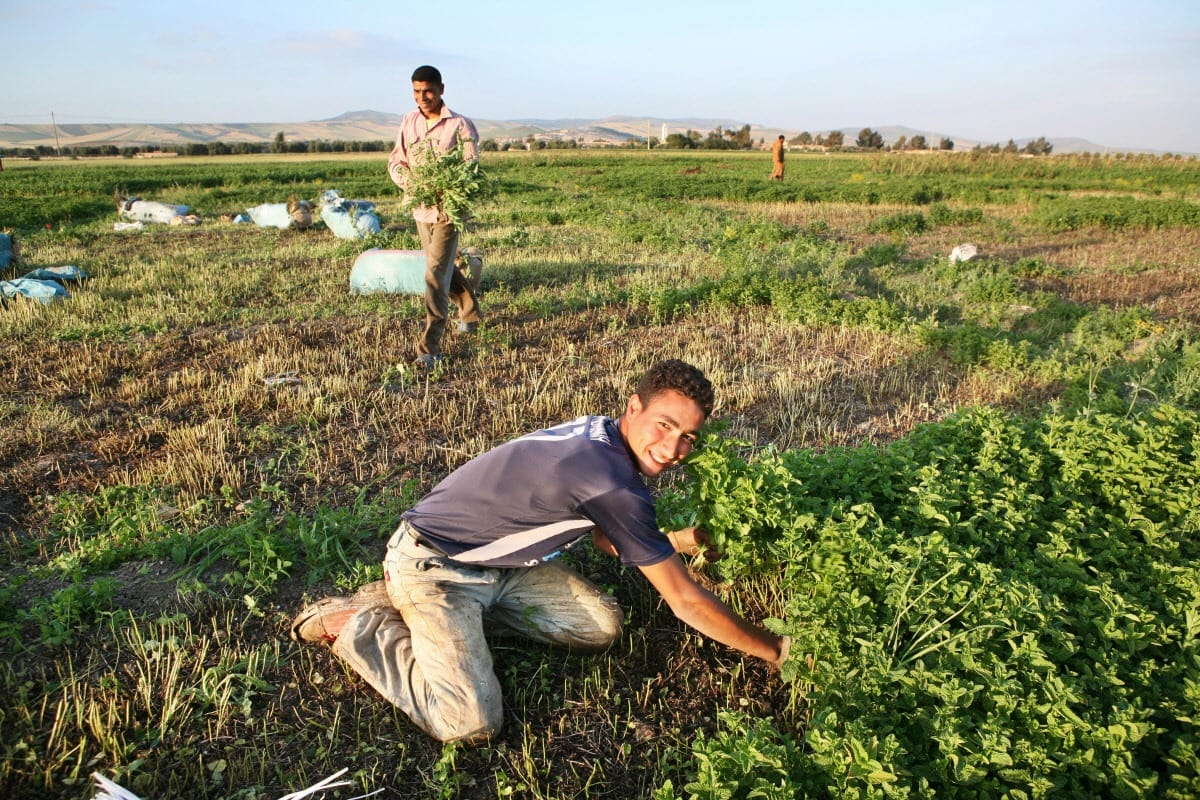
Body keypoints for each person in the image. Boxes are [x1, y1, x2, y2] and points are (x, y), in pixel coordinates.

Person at [290, 359, 790, 743]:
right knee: (468, 723)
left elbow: (604, 536)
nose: (674, 447)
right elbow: (687, 601)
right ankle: (360, 621)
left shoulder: (603, 437)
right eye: (664, 425)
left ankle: (438, 618)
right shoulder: (611, 480)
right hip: (435, 563)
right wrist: (775, 651)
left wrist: (685, 541)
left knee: (601, 626)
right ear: (633, 407)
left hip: (502, 568)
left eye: (688, 437)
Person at [387, 65, 483, 370]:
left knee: (434, 276)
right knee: (440, 268)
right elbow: (396, 161)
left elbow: (471, 168)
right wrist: (411, 182)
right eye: (416, 91)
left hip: (447, 211)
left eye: (428, 91)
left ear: (441, 89)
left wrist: (446, 188)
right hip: (420, 208)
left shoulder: (459, 125)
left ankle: (430, 348)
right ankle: (469, 311)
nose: (422, 97)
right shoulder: (409, 121)